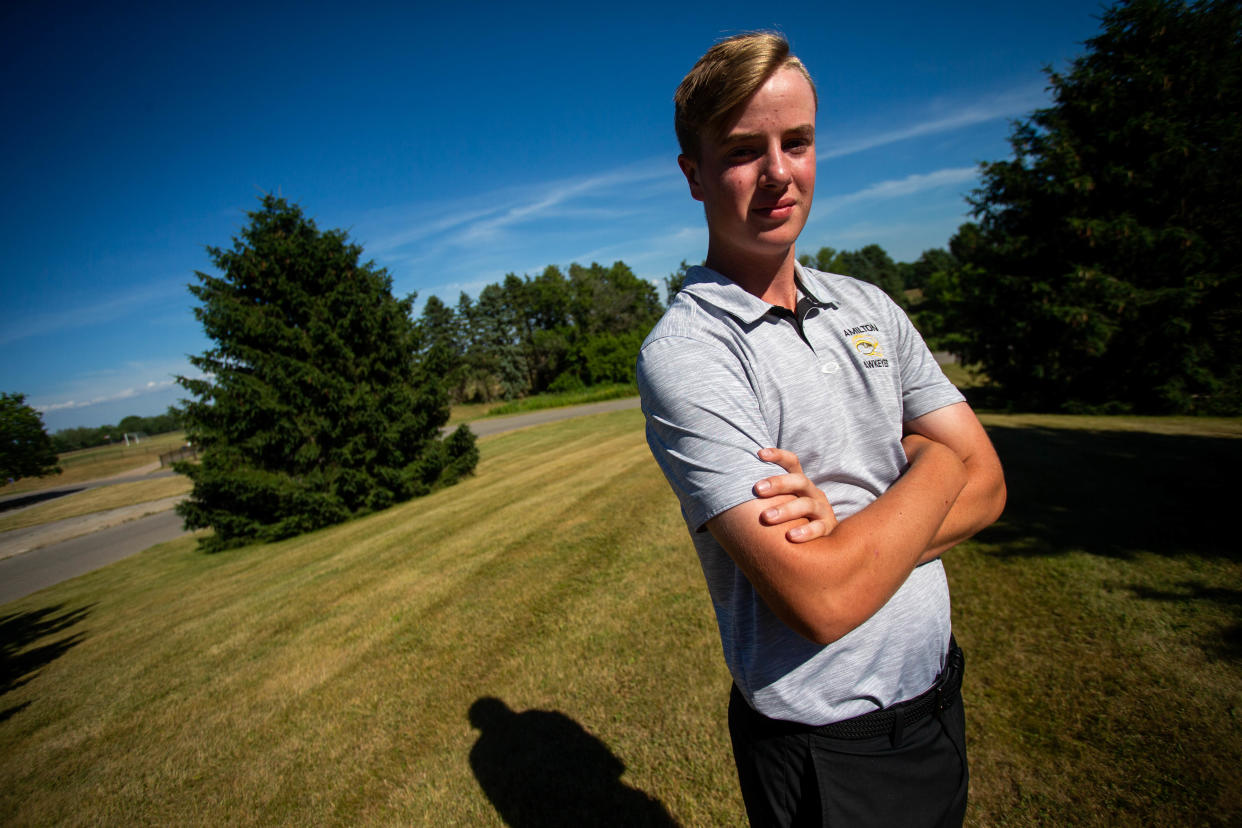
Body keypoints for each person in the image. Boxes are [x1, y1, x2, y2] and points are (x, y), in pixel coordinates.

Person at [637, 32, 1006, 827]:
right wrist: (935, 459)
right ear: (693, 174)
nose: (778, 173)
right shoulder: (689, 353)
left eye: (795, 142)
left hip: (940, 698)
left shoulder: (868, 305)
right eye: (742, 151)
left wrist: (856, 536)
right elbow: (824, 596)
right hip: (825, 750)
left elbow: (995, 487)